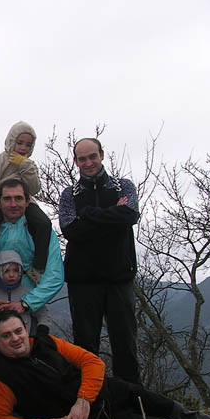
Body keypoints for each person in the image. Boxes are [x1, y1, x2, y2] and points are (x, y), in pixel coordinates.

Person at [0, 310, 210, 419]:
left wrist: (83, 399)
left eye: (19, 331)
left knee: (170, 409)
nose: (16, 338)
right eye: (6, 336)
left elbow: (93, 362)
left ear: (26, 329)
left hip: (107, 393)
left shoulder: (47, 343)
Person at [59, 138, 141, 384]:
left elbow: (130, 214)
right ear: (75, 162)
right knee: (84, 349)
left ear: (102, 155)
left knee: (126, 345)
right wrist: (113, 218)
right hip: (83, 282)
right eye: (82, 159)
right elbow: (70, 229)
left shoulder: (123, 187)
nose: (88, 163)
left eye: (92, 156)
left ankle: (133, 407)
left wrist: (88, 216)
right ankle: (87, 405)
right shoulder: (69, 195)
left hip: (120, 279)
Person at [0, 177, 64, 335]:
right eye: (7, 199)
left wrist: (26, 303)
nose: (13, 204)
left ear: (28, 201)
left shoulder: (40, 231)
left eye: (18, 198)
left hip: (31, 312)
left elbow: (55, 274)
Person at [0, 121, 52, 285]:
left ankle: (38, 268)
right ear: (11, 141)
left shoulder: (30, 165)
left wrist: (24, 165)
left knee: (44, 224)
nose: (23, 148)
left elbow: (34, 189)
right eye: (20, 143)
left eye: (28, 145)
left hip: (26, 202)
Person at [0, 249, 49, 339]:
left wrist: (42, 330)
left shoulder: (28, 292)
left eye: (15, 270)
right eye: (6, 271)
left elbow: (42, 312)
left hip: (23, 342)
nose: (11, 275)